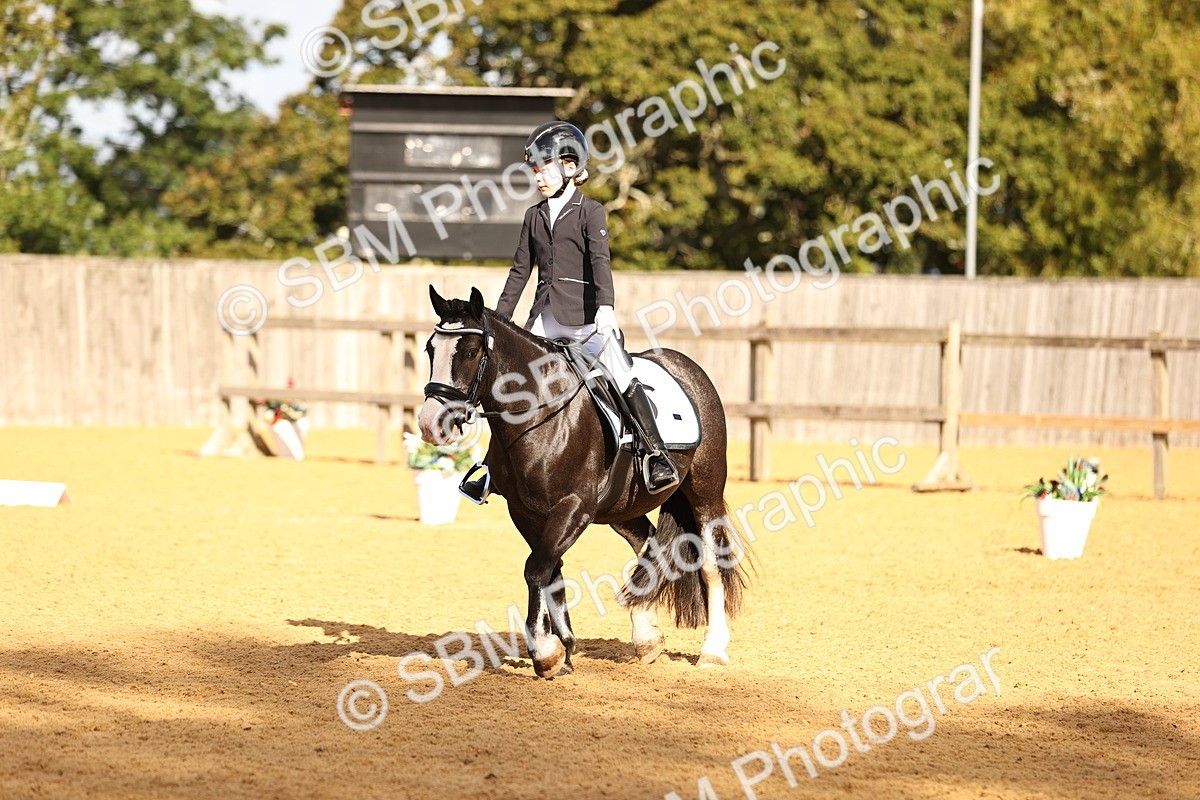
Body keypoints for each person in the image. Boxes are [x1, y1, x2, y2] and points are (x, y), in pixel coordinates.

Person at [459, 120, 680, 502]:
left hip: (587, 320)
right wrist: (496, 321)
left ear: (569, 166)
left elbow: (600, 262)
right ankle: (491, 466)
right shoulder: (533, 215)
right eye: (534, 170)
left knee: (620, 374)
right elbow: (519, 272)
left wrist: (606, 308)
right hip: (544, 319)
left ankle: (655, 455)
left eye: (543, 169)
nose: (537, 177)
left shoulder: (590, 211)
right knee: (511, 386)